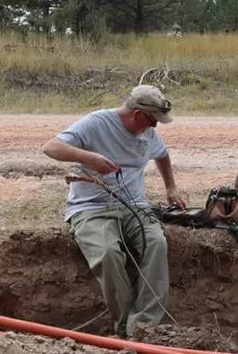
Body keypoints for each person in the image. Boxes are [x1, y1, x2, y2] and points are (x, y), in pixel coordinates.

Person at [42, 85, 187, 339]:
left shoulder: (148, 132)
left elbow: (162, 155)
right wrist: (90, 158)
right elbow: (51, 147)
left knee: (156, 244)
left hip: (134, 206)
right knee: (108, 253)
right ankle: (124, 329)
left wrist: (171, 188)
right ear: (137, 114)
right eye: (152, 121)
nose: (154, 128)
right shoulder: (97, 122)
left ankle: (144, 326)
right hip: (91, 209)